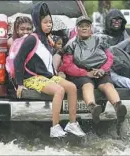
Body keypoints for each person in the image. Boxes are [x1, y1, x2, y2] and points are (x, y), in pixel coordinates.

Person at [14, 2, 85, 138]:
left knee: (71, 87)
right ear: (37, 22)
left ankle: (72, 123)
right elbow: (19, 60)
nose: (49, 25)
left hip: (47, 77)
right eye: (45, 22)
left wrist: (55, 73)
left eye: (50, 22)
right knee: (59, 90)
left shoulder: (47, 39)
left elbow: (46, 61)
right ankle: (55, 127)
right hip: (31, 78)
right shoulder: (31, 39)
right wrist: (20, 84)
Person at [59, 16, 127, 124]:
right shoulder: (72, 44)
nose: (84, 28)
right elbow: (68, 66)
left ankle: (118, 106)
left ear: (91, 28)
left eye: (87, 26)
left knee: (107, 85)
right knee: (87, 85)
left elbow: (109, 57)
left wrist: (102, 70)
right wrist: (86, 73)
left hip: (100, 71)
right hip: (81, 74)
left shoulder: (100, 40)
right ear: (77, 28)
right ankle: (93, 107)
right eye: (82, 26)